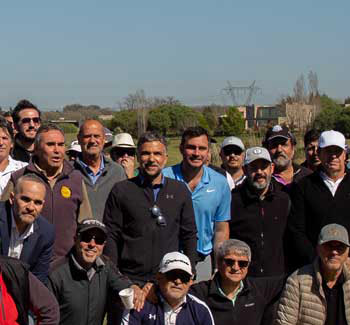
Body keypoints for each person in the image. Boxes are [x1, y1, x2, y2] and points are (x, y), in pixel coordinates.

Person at [102, 134, 198, 285]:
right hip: (130, 279)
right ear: (138, 157)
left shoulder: (180, 191)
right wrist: (115, 277)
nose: (152, 159)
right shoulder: (121, 190)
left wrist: (190, 270)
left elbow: (189, 235)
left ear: (165, 158)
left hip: (169, 277)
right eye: (146, 153)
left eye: (157, 153)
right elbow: (111, 235)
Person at [285, 129, 350, 275]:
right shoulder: (303, 186)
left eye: (338, 151)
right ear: (319, 153)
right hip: (314, 269)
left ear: (345, 154)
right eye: (328, 151)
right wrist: (317, 261)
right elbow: (297, 230)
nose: (333, 156)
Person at [165, 125, 232, 280]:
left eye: (202, 148)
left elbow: (221, 230)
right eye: (191, 147)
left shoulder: (220, 183)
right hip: (168, 259)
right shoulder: (164, 178)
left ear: (208, 152)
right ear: (181, 149)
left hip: (202, 260)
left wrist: (218, 266)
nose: (196, 153)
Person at [28, 124, 89, 270]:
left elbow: (85, 223)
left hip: (67, 266)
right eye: (50, 145)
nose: (57, 150)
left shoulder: (76, 179)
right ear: (37, 149)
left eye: (61, 145)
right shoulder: (20, 178)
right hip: (29, 264)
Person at [228, 147, 294, 280]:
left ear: (272, 168)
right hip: (243, 277)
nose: (259, 172)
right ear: (245, 170)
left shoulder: (283, 199)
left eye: (263, 167)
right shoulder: (233, 200)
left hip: (277, 277)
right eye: (254, 168)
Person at [0, 170, 56, 283]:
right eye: (25, 199)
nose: (31, 207)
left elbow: (38, 279)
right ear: (12, 198)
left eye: (37, 203)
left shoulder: (46, 232)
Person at [73, 118, 127, 216]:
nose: (92, 140)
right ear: (79, 139)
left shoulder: (117, 172)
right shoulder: (68, 171)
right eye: (87, 136)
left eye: (97, 136)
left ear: (104, 139)